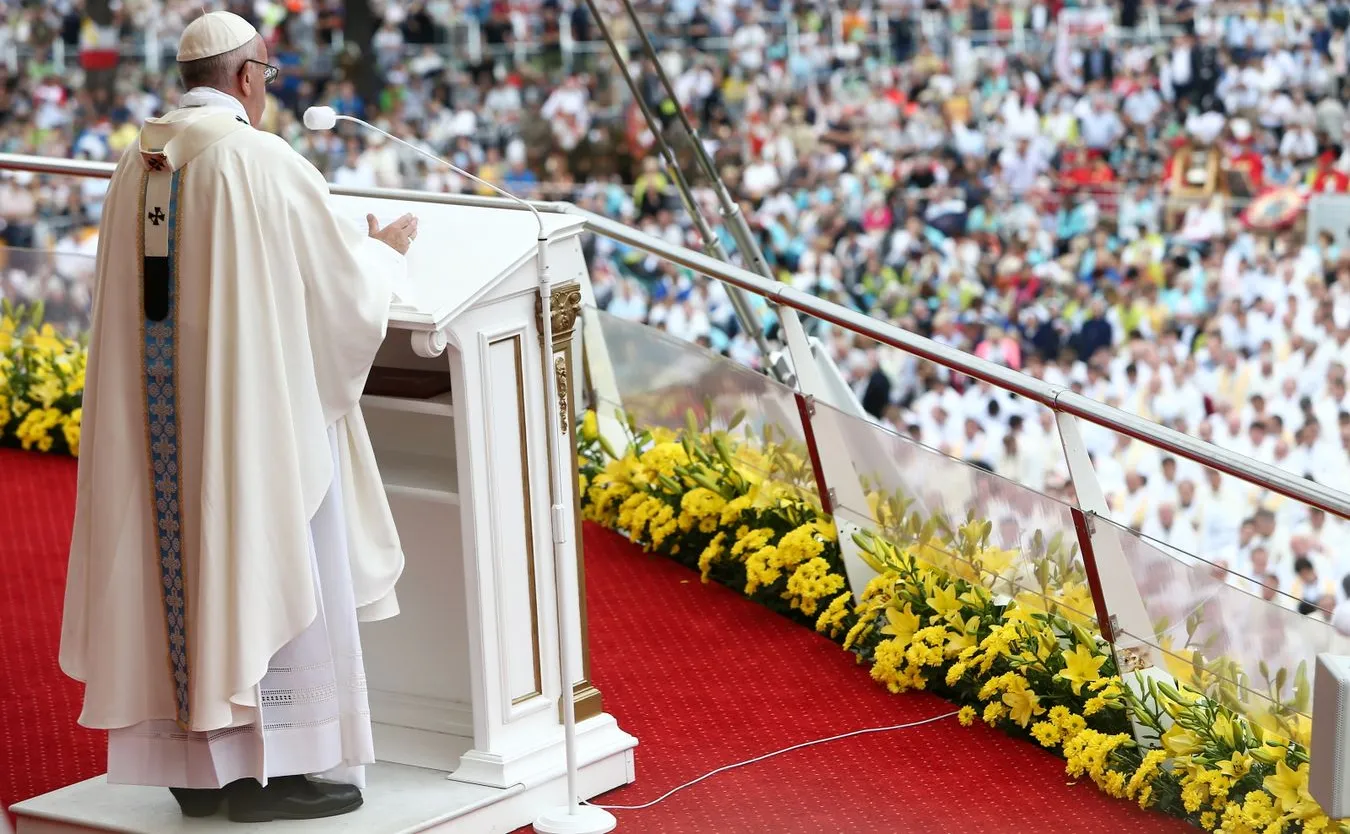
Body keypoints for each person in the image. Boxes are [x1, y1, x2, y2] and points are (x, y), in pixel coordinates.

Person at [57, 12, 418, 823]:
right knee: (260, 550)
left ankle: (195, 767)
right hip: (243, 423)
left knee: (171, 569)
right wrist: (386, 252)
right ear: (250, 76)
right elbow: (338, 291)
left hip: (160, 423)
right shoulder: (258, 159)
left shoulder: (138, 161)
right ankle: (275, 770)